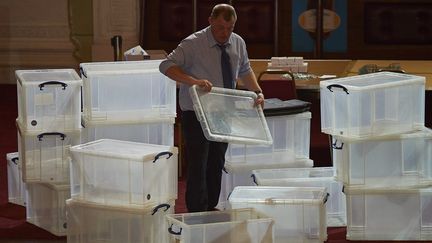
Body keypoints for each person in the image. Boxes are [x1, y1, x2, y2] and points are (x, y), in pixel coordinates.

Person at [159, 3, 264, 212]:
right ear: (210, 21)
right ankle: (197, 211)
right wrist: (193, 81)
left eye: (230, 28)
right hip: (196, 113)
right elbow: (166, 66)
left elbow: (245, 69)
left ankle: (211, 207)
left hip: (224, 112)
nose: (225, 33)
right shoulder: (192, 43)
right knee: (199, 163)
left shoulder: (238, 42)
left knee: (217, 162)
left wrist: (258, 92)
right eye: (219, 28)